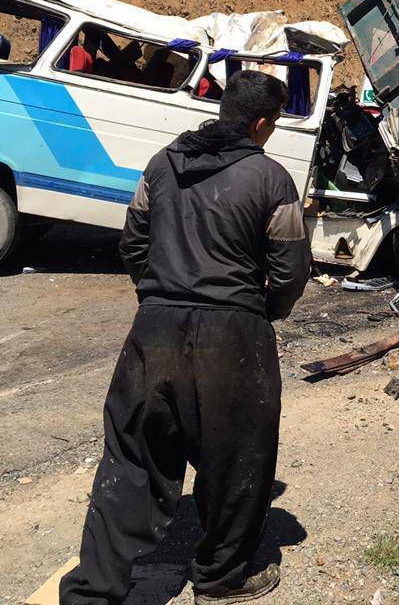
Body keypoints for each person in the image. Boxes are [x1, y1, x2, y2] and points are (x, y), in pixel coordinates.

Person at [61, 70, 311, 604]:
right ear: (261, 124)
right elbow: (291, 270)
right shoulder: (272, 179)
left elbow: (133, 243)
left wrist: (159, 297)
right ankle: (221, 577)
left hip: (152, 332)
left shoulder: (161, 164)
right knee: (237, 457)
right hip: (234, 335)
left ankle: (94, 591)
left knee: (131, 460)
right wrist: (262, 312)